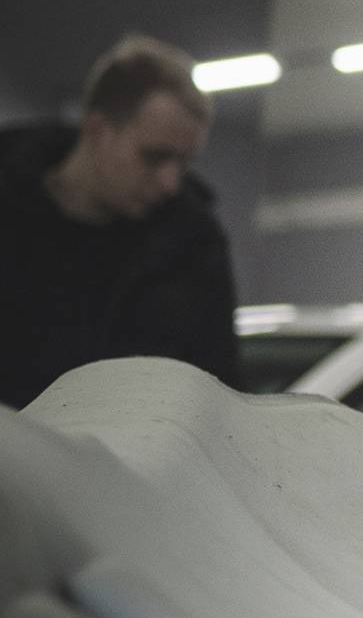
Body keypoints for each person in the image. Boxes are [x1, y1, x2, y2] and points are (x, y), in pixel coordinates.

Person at [0, 35, 239, 411]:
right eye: (154, 157)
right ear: (98, 130)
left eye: (183, 163)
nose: (171, 183)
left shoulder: (193, 248)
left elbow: (220, 392)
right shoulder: (10, 214)